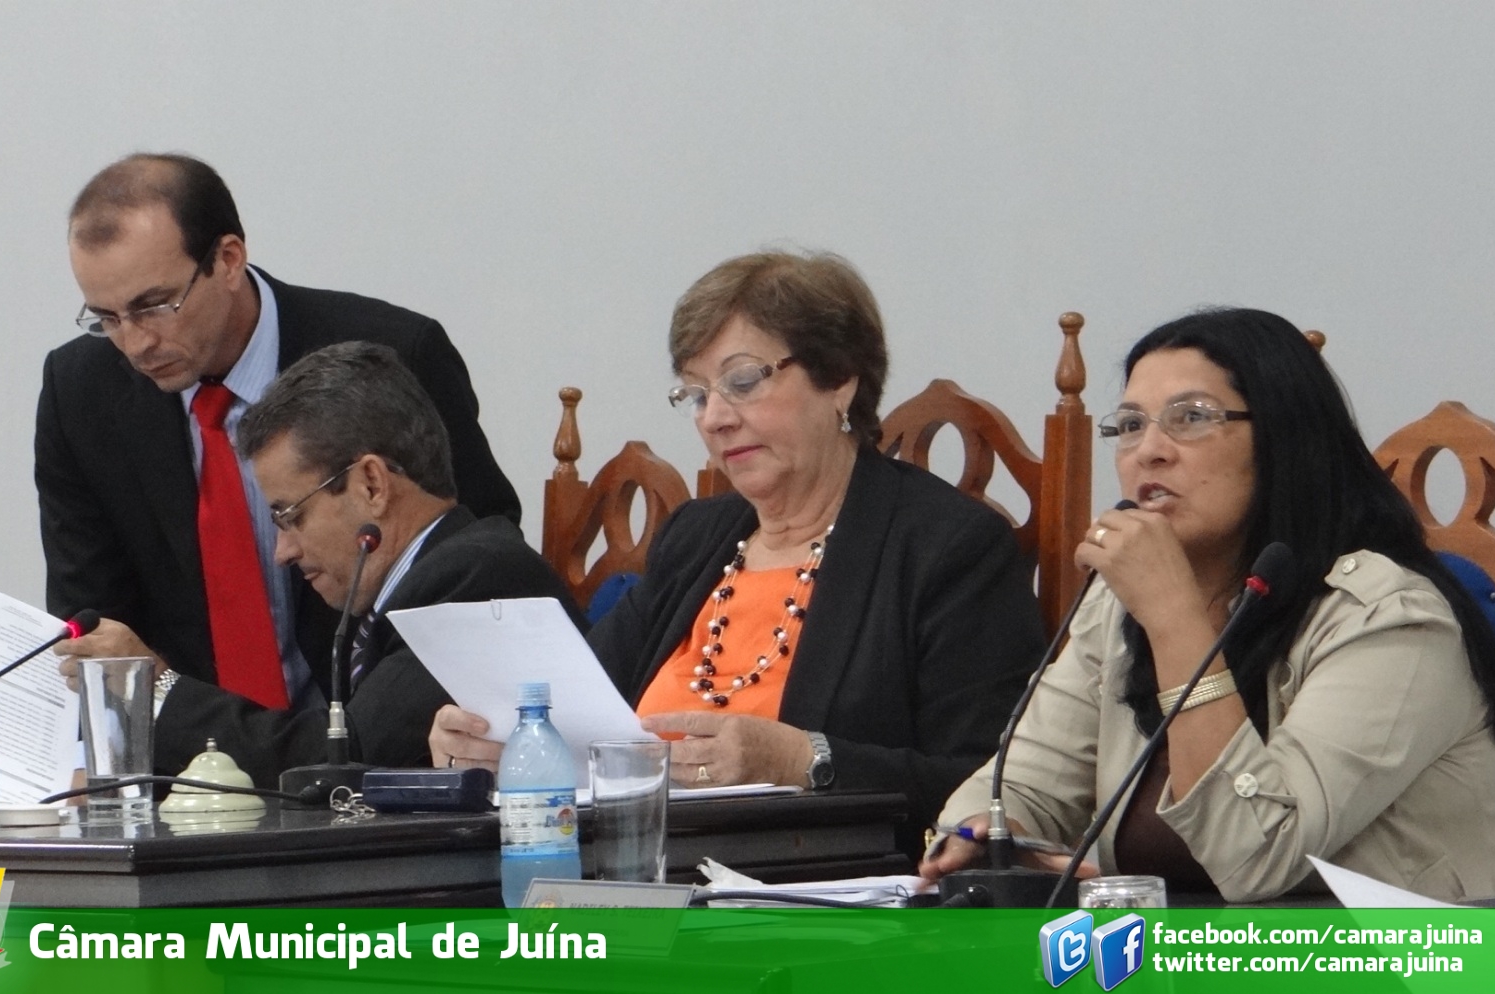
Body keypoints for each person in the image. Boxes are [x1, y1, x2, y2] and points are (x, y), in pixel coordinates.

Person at [431, 250, 1046, 840]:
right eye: (697, 395)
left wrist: (803, 760)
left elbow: (994, 787)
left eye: (743, 381)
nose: (713, 418)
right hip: (637, 867)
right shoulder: (696, 538)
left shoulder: (947, 547)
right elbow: (579, 709)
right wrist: (503, 741)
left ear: (839, 381)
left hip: (814, 884)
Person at [923, 308, 1495, 904]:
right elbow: (1020, 785)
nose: (1148, 451)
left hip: (1398, 955)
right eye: (1130, 424)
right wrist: (990, 838)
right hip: (1182, 952)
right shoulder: (1118, 604)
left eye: (1191, 417)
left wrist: (1173, 617)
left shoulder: (1392, 620)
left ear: (1283, 441)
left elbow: (1257, 856)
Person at [36, 153, 519, 719]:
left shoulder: (394, 353)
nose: (135, 344)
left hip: (374, 731)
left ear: (228, 260)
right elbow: (91, 618)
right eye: (107, 318)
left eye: (155, 306)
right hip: (186, 747)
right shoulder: (81, 391)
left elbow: (474, 561)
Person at [56, 342, 584, 788]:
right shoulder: (398, 587)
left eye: (291, 517)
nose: (282, 552)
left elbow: (344, 761)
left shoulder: (479, 577)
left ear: (371, 485)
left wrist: (156, 689)